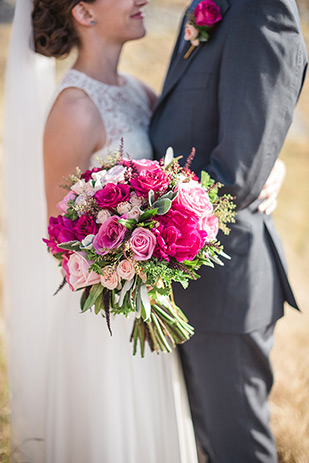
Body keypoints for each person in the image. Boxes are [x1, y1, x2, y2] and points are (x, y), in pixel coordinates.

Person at [3, 0, 199, 462]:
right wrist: (132, 252)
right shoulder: (73, 108)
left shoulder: (138, 91)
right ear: (84, 14)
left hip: (149, 301)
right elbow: (63, 239)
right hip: (105, 323)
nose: (141, 0)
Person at [150, 0, 308, 462]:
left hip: (225, 282)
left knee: (237, 447)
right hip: (187, 277)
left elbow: (237, 172)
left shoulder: (262, 10)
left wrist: (138, 239)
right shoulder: (206, 8)